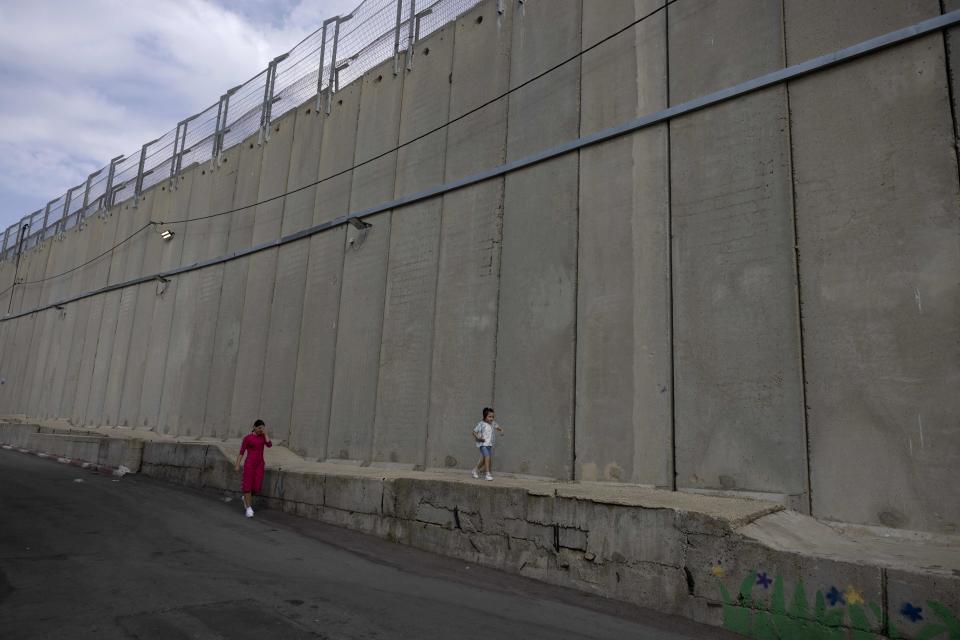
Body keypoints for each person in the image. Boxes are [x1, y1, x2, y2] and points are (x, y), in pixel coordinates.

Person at [235, 419, 272, 517]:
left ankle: (245, 498)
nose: (261, 430)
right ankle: (248, 508)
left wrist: (265, 433)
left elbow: (269, 445)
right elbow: (241, 452)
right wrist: (237, 464)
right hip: (250, 463)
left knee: (257, 486)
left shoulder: (263, 437)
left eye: (262, 428)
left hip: (260, 464)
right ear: (254, 427)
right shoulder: (248, 438)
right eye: (259, 428)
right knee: (247, 485)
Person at [471, 407, 503, 481]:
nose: (491, 418)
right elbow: (474, 432)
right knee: (487, 457)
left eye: (492, 417)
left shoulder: (493, 423)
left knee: (483, 460)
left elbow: (497, 427)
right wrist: (478, 437)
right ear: (485, 416)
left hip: (489, 444)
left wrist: (501, 430)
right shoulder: (481, 424)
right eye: (490, 416)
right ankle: (487, 474)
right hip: (483, 444)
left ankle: (474, 470)